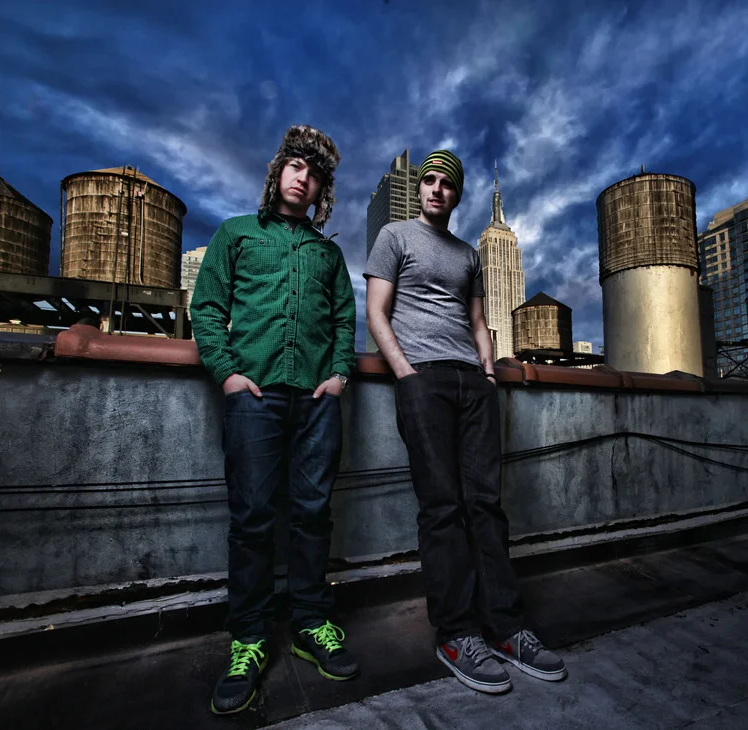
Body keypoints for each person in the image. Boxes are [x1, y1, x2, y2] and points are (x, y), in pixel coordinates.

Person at [364, 150, 566, 694]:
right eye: (428, 180)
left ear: (456, 194)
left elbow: (478, 322)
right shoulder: (395, 237)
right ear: (420, 189)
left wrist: (489, 374)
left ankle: (506, 627)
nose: (435, 189)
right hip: (423, 380)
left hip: (473, 384)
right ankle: (456, 634)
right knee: (442, 508)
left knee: (485, 506)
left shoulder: (469, 254)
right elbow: (377, 312)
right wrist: (406, 374)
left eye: (445, 184)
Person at [191, 125, 358, 715]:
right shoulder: (236, 233)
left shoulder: (328, 254)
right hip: (254, 399)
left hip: (316, 403)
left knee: (312, 514)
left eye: (314, 175)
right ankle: (250, 639)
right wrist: (228, 374)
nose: (302, 178)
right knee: (253, 519)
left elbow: (345, 320)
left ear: (321, 192)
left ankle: (311, 623)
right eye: (295, 167)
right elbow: (206, 308)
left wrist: (338, 376)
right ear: (278, 172)